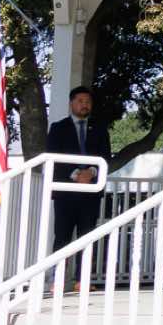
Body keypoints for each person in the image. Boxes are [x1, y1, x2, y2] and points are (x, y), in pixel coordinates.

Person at [46, 85, 112, 288]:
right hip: (65, 192)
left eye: (88, 102)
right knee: (62, 236)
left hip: (90, 192)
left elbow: (105, 156)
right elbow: (54, 156)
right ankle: (58, 279)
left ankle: (82, 280)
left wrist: (91, 172)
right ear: (71, 103)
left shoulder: (99, 129)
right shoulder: (58, 128)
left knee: (87, 235)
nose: (85, 105)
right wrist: (75, 174)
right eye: (81, 101)